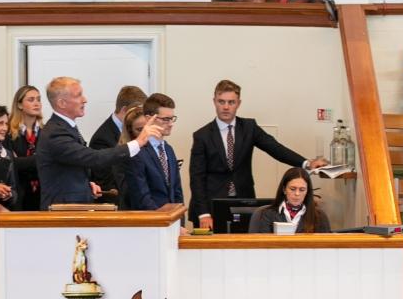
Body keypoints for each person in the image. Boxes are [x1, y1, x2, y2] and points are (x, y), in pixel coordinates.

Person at [188, 79, 328, 229]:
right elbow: (197, 177)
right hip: (211, 206)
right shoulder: (202, 135)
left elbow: (275, 148)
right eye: (221, 102)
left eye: (231, 102)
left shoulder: (249, 128)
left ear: (238, 103)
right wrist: (203, 213)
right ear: (214, 102)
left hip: (243, 202)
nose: (226, 107)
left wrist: (306, 163)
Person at [36, 76, 160, 209]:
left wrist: (85, 186)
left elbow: (70, 168)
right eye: (78, 95)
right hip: (62, 212)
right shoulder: (56, 132)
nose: (85, 99)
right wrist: (138, 142)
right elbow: (94, 158)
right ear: (62, 103)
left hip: (71, 209)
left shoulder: (65, 127)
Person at [124, 93, 184, 211]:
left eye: (172, 118)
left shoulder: (168, 149)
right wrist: (165, 221)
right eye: (165, 119)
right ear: (148, 119)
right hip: (152, 223)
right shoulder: (136, 151)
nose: (171, 124)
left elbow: (177, 192)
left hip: (171, 223)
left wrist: (177, 222)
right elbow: (142, 199)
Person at [89, 84, 148, 193]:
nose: (142, 115)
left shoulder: (135, 130)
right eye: (138, 110)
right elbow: (107, 184)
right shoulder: (102, 139)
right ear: (124, 110)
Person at [249, 166, 331, 233]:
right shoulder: (267, 214)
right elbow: (262, 246)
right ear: (284, 189)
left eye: (302, 190)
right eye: (292, 189)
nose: (297, 194)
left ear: (307, 192)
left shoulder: (319, 216)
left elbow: (326, 247)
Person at [9, 84, 42, 210]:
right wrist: (39, 159)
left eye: (38, 99)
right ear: (19, 105)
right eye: (31, 99)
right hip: (19, 194)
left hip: (41, 196)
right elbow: (12, 164)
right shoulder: (8, 132)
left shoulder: (46, 131)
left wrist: (24, 162)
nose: (37, 103)